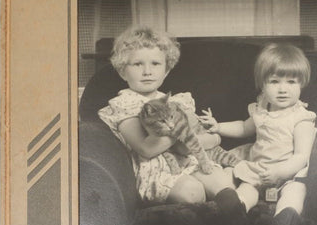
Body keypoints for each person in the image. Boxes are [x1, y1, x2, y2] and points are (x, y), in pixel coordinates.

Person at [200, 43, 317, 225]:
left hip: (287, 173)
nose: (283, 89)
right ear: (262, 84)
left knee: (295, 192)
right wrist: (218, 126)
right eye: (275, 82)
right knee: (245, 190)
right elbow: (244, 127)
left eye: (291, 82)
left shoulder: (302, 118)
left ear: (301, 84)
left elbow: (301, 157)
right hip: (257, 170)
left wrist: (278, 172)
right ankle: (235, 221)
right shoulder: (261, 109)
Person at [98, 25, 242, 213]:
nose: (147, 71)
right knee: (192, 193)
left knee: (224, 186)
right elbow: (147, 148)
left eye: (155, 64)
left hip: (192, 160)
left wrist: (214, 138)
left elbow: (208, 138)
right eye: (137, 64)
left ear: (166, 70)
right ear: (122, 71)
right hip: (158, 171)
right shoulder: (125, 104)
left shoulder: (178, 101)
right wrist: (182, 128)